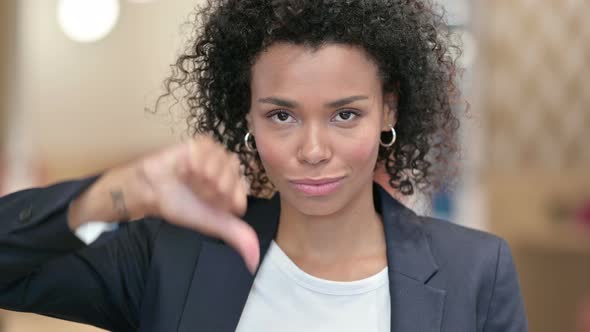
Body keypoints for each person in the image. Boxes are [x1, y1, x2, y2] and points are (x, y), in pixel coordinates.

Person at [0, 0, 527, 331]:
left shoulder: (475, 272)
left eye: (346, 114)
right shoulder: (172, 257)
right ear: (246, 115)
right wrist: (119, 192)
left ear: (388, 109)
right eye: (282, 115)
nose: (315, 149)